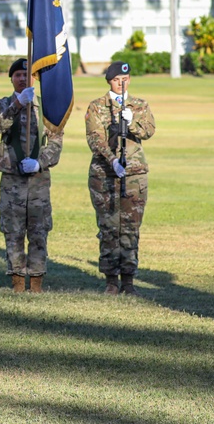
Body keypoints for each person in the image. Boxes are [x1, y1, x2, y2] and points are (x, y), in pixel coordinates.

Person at [0, 58, 64, 293]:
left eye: (26, 74)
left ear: (34, 78)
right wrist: (17, 104)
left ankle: (37, 280)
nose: (22, 78)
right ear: (11, 79)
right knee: (13, 229)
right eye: (17, 75)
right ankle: (18, 280)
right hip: (12, 178)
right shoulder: (1, 104)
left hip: (38, 179)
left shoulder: (46, 107)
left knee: (39, 229)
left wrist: (40, 162)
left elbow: (56, 141)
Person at [84, 61, 156, 295]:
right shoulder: (97, 107)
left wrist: (131, 122)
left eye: (125, 80)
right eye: (117, 80)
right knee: (108, 228)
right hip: (105, 174)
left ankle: (128, 280)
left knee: (130, 228)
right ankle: (111, 280)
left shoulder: (139, 105)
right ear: (109, 81)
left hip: (134, 175)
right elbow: (95, 138)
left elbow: (148, 130)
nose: (121, 84)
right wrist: (112, 160)